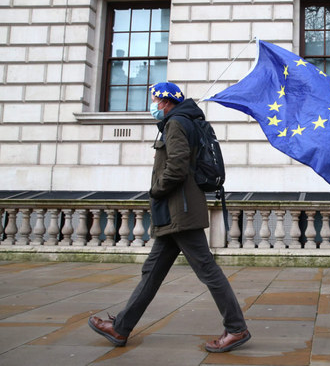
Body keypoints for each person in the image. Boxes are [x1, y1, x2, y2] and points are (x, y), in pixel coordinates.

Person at [88, 82, 250, 353]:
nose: (152, 104)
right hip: (175, 211)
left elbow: (176, 165)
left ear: (165, 101)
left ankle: (236, 328)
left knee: (208, 270)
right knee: (152, 272)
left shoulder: (176, 123)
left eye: (154, 99)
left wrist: (155, 189)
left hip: (180, 210)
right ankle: (121, 327)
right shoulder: (185, 121)